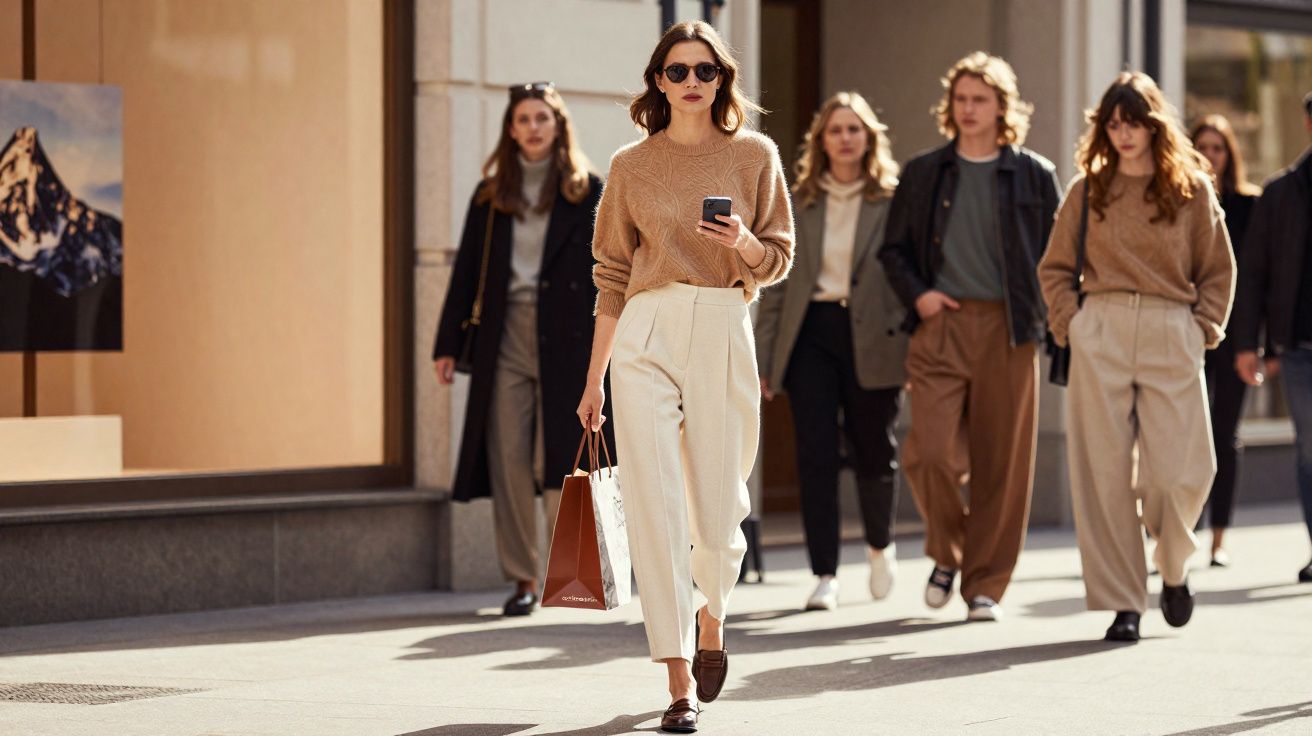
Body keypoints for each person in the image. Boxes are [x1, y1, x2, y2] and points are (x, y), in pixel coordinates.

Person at [576, 20, 794, 733]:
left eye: (706, 71)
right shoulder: (631, 165)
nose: (692, 82)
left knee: (718, 503)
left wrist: (746, 243)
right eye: (677, 71)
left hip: (722, 323)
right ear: (657, 82)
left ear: (722, 80)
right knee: (654, 503)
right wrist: (593, 381)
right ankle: (677, 681)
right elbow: (611, 273)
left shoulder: (754, 155)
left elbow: (780, 258)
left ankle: (713, 616)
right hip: (644, 332)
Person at [1038, 72, 1234, 642]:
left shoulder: (1192, 189)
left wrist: (1202, 329)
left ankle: (1172, 566)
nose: (1123, 135)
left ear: (1154, 124)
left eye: (1133, 123)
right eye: (1113, 124)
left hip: (1175, 330)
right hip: (1100, 327)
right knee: (1103, 473)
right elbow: (1053, 268)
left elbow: (1219, 270)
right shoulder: (1087, 189)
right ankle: (1124, 600)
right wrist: (1071, 323)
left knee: (1183, 472)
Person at [878, 52, 1060, 622]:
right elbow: (894, 249)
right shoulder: (925, 172)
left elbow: (1057, 258)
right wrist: (921, 296)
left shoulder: (1034, 174)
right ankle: (946, 551)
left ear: (1002, 107)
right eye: (960, 99)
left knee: (1000, 465)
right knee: (928, 452)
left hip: (1010, 331)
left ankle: (984, 584)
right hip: (940, 324)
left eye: (980, 99)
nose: (969, 109)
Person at [432, 82, 611, 618]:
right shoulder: (491, 196)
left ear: (558, 127)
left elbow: (609, 271)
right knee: (508, 455)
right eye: (523, 119)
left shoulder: (588, 190)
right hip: (503, 336)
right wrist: (447, 343)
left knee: (563, 454)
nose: (533, 127)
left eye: (542, 118)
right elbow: (466, 271)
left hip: (569, 335)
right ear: (510, 130)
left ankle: (569, 572)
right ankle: (522, 577)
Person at [755, 91, 905, 612]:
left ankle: (880, 547)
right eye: (835, 130)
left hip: (874, 336)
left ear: (869, 138)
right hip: (810, 335)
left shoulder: (892, 199)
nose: (845, 138)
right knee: (814, 455)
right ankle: (824, 573)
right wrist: (766, 361)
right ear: (821, 140)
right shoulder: (799, 199)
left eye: (854, 129)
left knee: (873, 450)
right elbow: (774, 287)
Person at [1231, 91, 1312, 585]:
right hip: (1299, 348)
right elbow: (1254, 272)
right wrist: (1247, 344)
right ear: (1307, 124)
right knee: (1311, 450)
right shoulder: (1282, 192)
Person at [1190, 114, 1261, 567]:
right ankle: (1180, 533)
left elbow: (1256, 280)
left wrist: (1258, 347)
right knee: (1185, 434)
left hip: (1235, 338)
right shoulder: (1182, 199)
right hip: (1190, 334)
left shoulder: (1251, 206)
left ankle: (1218, 539)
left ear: (1229, 153)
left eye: (1219, 147)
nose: (1211, 155)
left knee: (1224, 434)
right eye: (1204, 146)